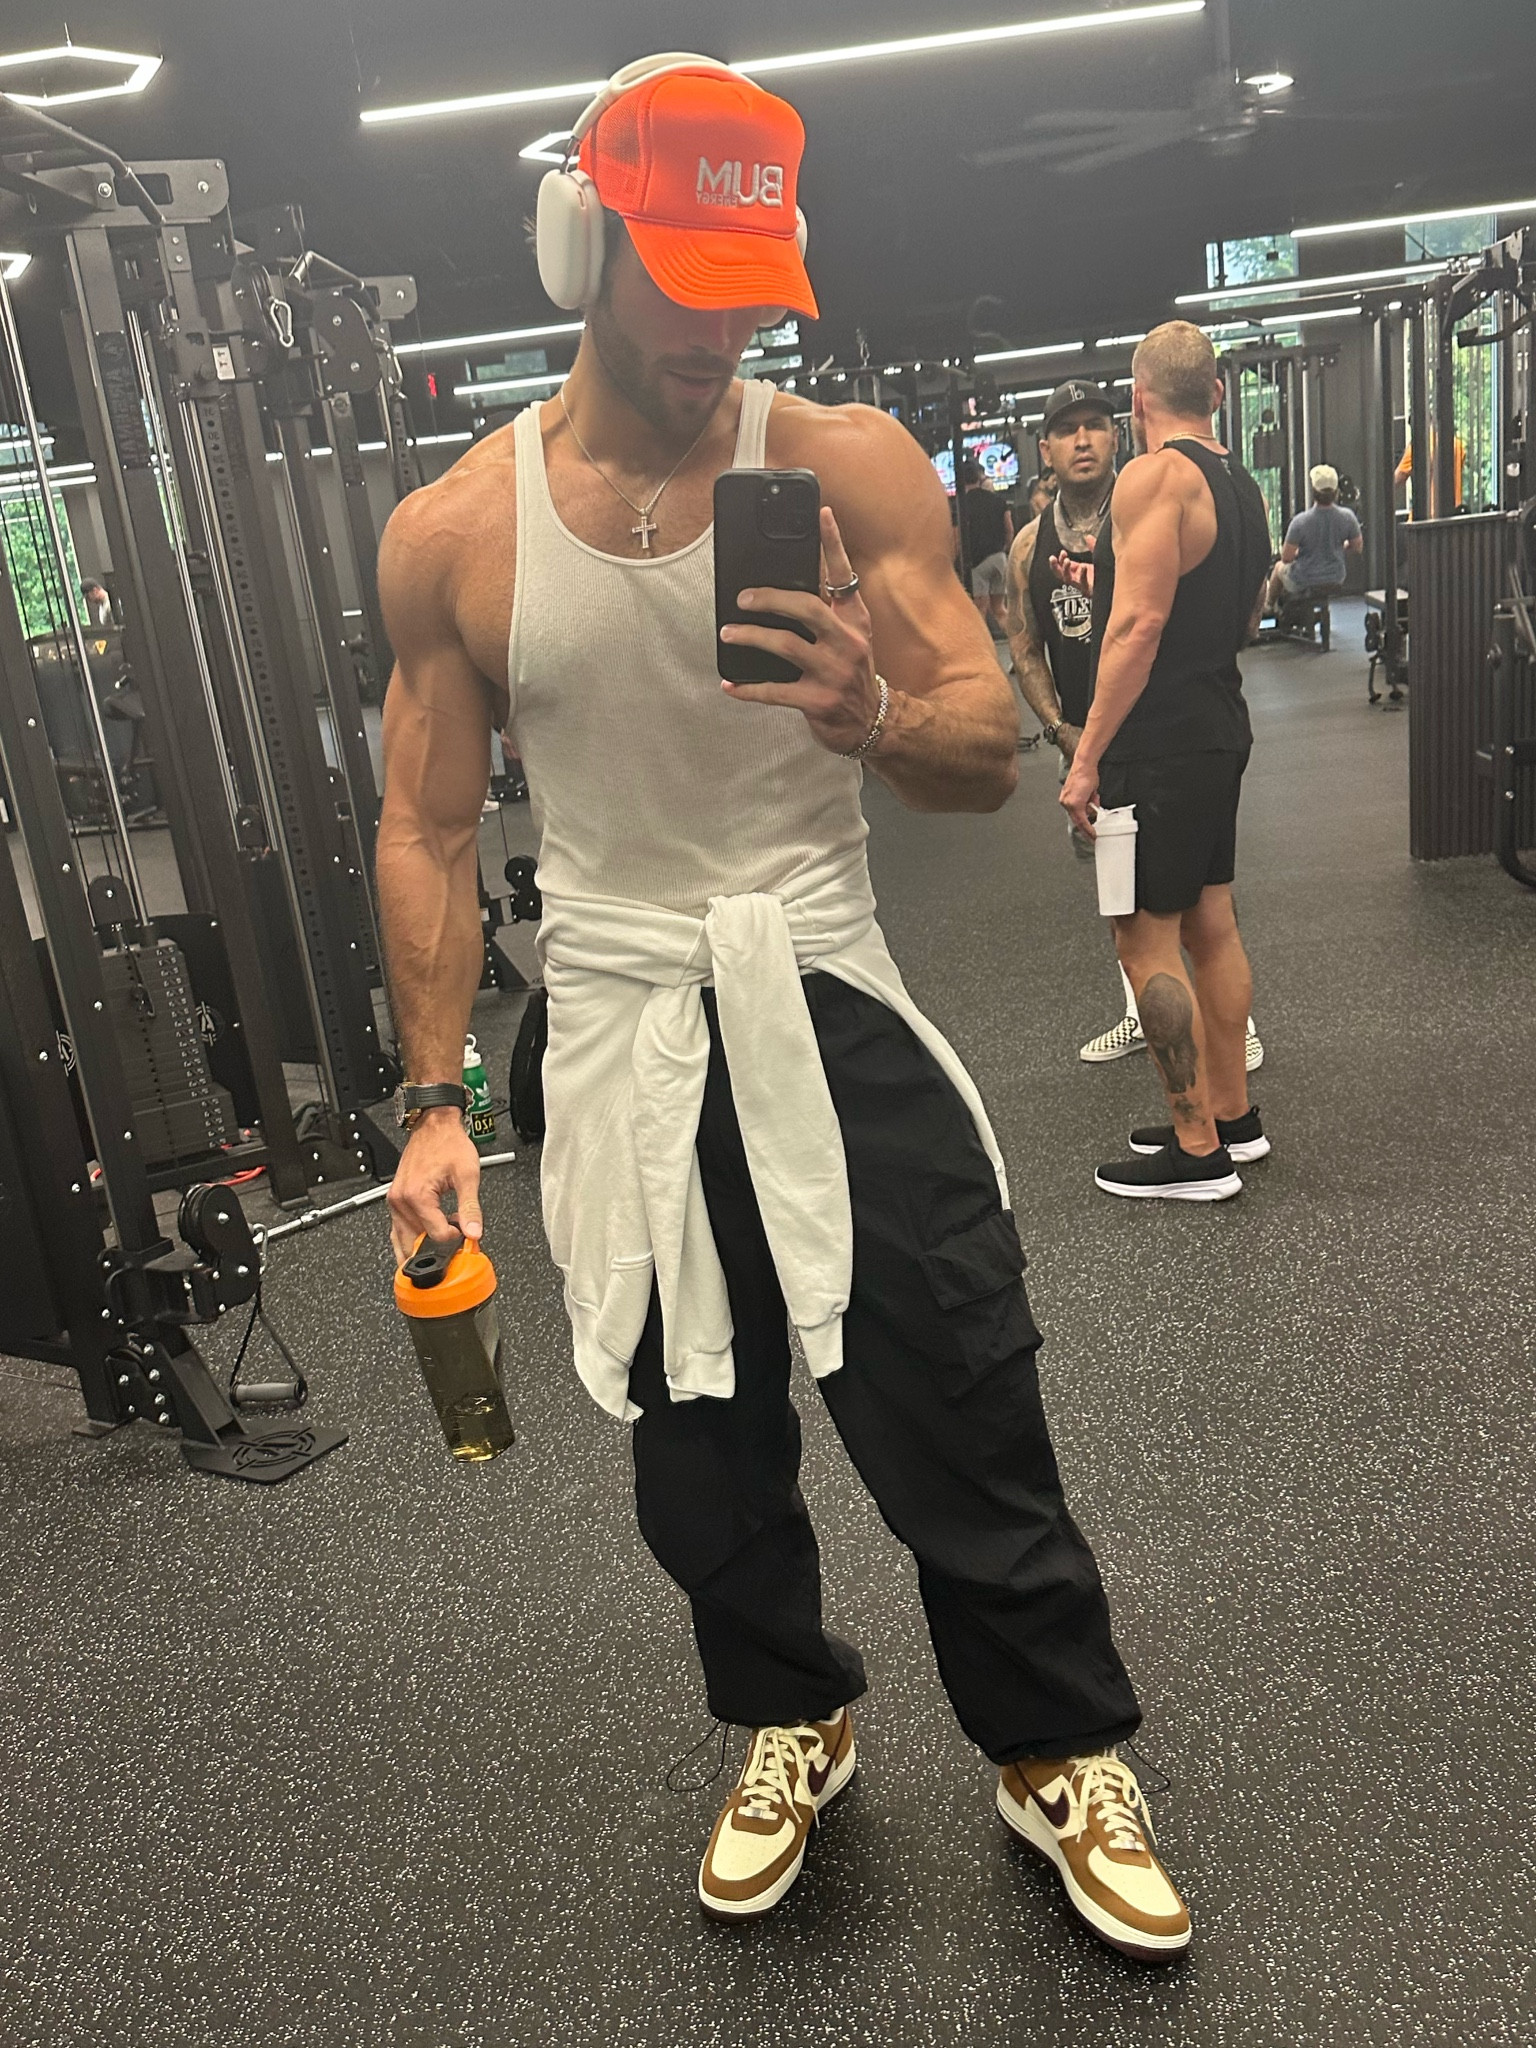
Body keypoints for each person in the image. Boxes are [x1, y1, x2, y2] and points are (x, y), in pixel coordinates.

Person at [376, 54, 1189, 1960]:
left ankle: (1055, 1746)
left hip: (821, 987)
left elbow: (982, 748)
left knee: (959, 1380)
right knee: (697, 1432)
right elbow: (422, 823)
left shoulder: (847, 463)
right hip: (615, 1020)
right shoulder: (456, 531)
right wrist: (428, 1101)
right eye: (681, 283)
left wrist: (871, 709)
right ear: (578, 246)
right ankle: (787, 1713)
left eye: (749, 291)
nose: (718, 334)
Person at [1059, 322, 1271, 1201]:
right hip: (1218, 724)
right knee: (1210, 923)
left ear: (1138, 399)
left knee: (1142, 934)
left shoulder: (1153, 477)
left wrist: (1086, 759)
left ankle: (1196, 1150)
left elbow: (1139, 628)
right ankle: (1232, 1119)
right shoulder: (1240, 484)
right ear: (1215, 394)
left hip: (1157, 744)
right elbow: (1239, 611)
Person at [1006, 381, 1145, 1049]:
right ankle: (1142, 1013)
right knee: (1117, 890)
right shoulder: (1028, 548)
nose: (1082, 440)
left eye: (1094, 425)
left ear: (1116, 436)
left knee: (1195, 886)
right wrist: (1063, 731)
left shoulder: (1146, 520)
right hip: (1087, 750)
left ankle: (1233, 1028)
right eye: (1067, 430)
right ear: (1046, 449)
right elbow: (1025, 646)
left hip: (1160, 735)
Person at [1266, 463, 1362, 612]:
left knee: (1279, 567)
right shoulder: (1348, 517)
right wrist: (1339, 547)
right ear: (1336, 492)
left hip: (1304, 579)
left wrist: (1301, 553)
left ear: (1313, 491)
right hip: (1336, 578)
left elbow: (1286, 557)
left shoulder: (1300, 522)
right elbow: (1357, 547)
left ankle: (1268, 606)